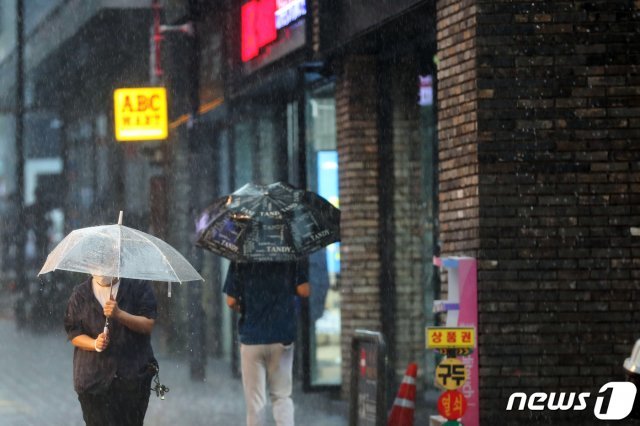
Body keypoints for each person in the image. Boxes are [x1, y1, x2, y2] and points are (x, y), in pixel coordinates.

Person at [224, 261, 310, 426]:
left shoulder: (241, 257)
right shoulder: (288, 253)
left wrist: (246, 308)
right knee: (282, 397)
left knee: (255, 403)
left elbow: (230, 301)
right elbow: (304, 290)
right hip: (281, 335)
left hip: (252, 338)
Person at [64, 275, 158, 426]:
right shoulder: (81, 294)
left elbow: (148, 324)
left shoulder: (138, 286)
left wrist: (119, 314)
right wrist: (94, 343)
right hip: (93, 382)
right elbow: (74, 332)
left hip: (132, 379)